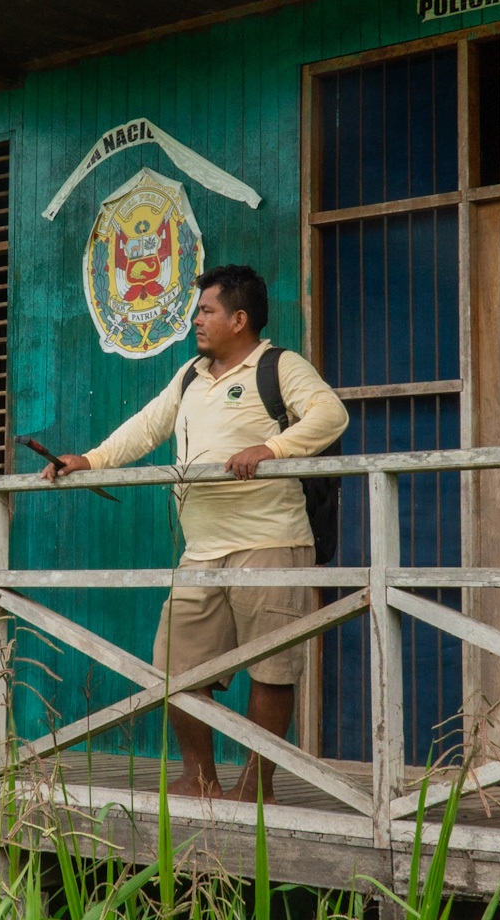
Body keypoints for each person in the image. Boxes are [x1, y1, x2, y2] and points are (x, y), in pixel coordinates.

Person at [43, 264, 348, 801]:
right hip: (201, 549)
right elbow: (146, 426)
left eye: (206, 311)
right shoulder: (189, 374)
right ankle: (201, 775)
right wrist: (87, 460)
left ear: (239, 319)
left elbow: (330, 415)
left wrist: (271, 450)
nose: (196, 321)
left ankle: (258, 784)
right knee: (176, 668)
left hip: (270, 541)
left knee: (271, 669)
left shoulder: (280, 366)